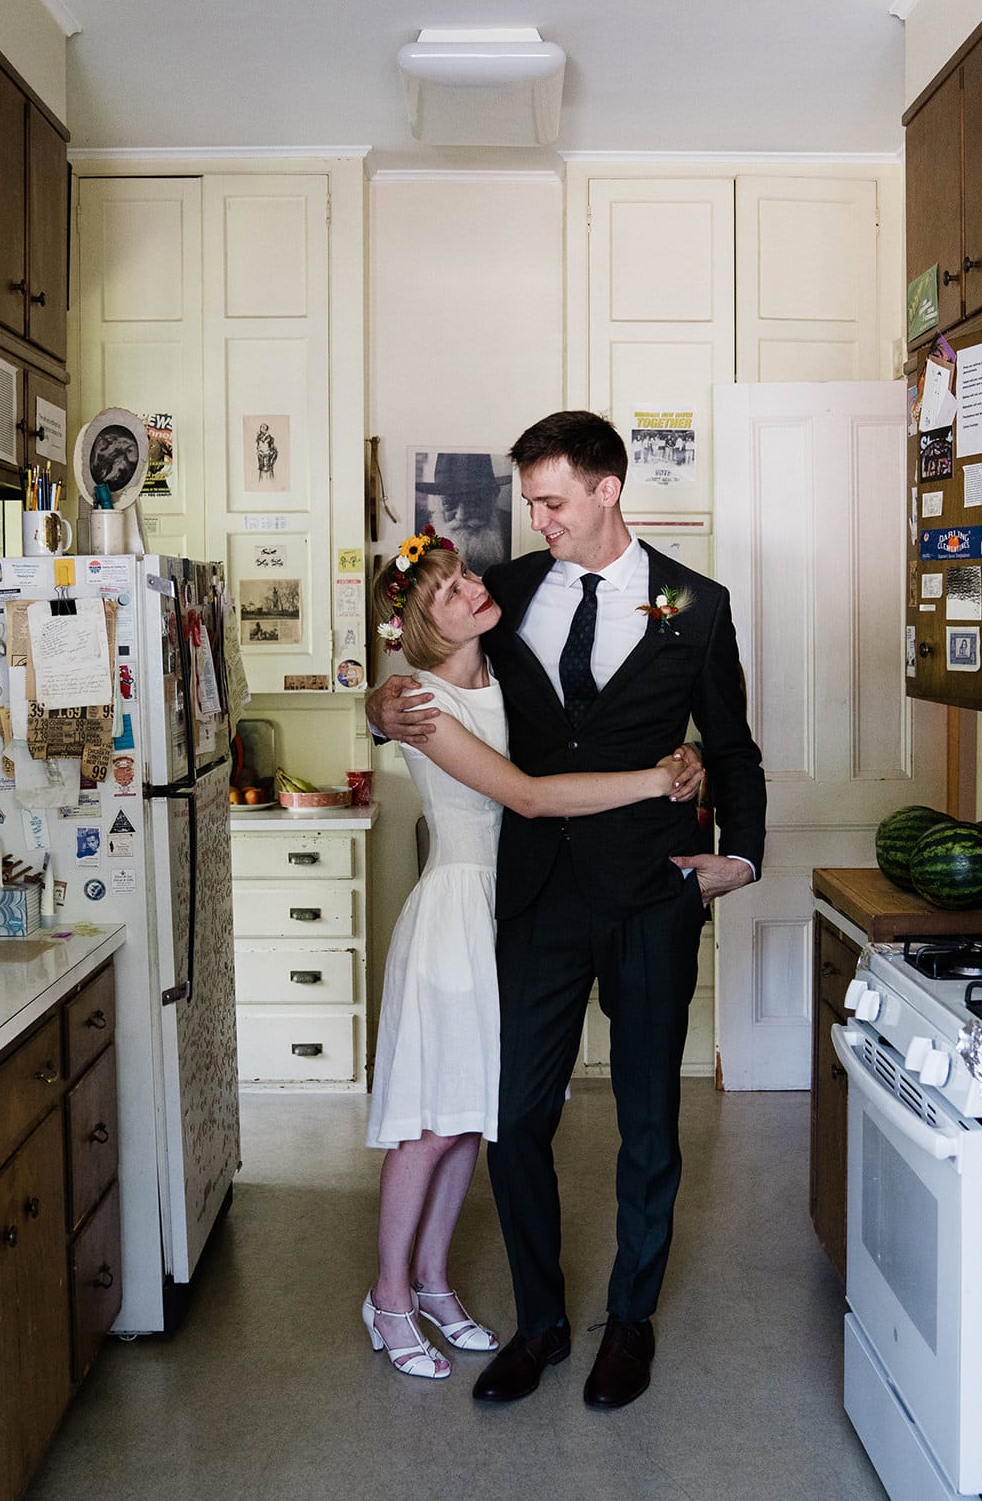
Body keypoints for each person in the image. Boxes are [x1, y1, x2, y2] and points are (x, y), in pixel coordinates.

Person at [369, 409, 766, 1410]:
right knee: (515, 1117)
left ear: (606, 492)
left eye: (549, 500)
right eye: (528, 500)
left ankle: (628, 1320)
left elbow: (731, 746)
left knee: (646, 1122)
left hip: (649, 897)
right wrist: (377, 705)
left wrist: (741, 855)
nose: (535, 518)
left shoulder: (690, 602)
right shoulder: (501, 590)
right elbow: (422, 667)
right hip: (532, 896)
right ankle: (539, 1321)